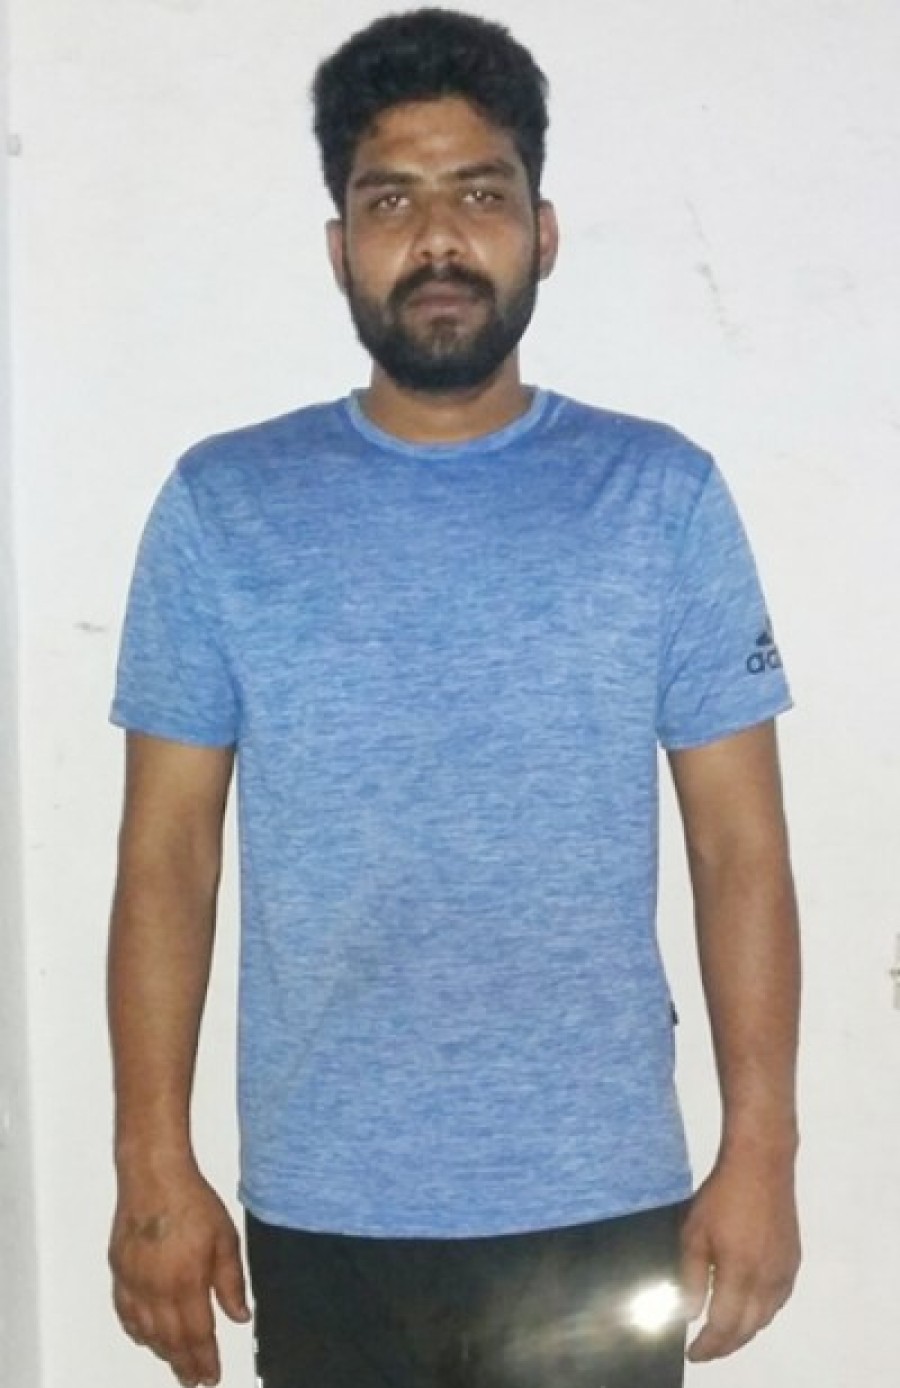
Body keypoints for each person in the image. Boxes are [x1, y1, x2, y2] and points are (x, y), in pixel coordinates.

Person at [107, 10, 801, 1388]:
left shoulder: (660, 498)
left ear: (542, 232)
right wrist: (151, 1166)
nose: (437, 239)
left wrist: (764, 1151)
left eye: (479, 196)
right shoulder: (224, 507)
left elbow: (741, 850)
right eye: (391, 202)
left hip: (602, 1199)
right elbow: (166, 855)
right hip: (329, 1203)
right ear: (340, 248)